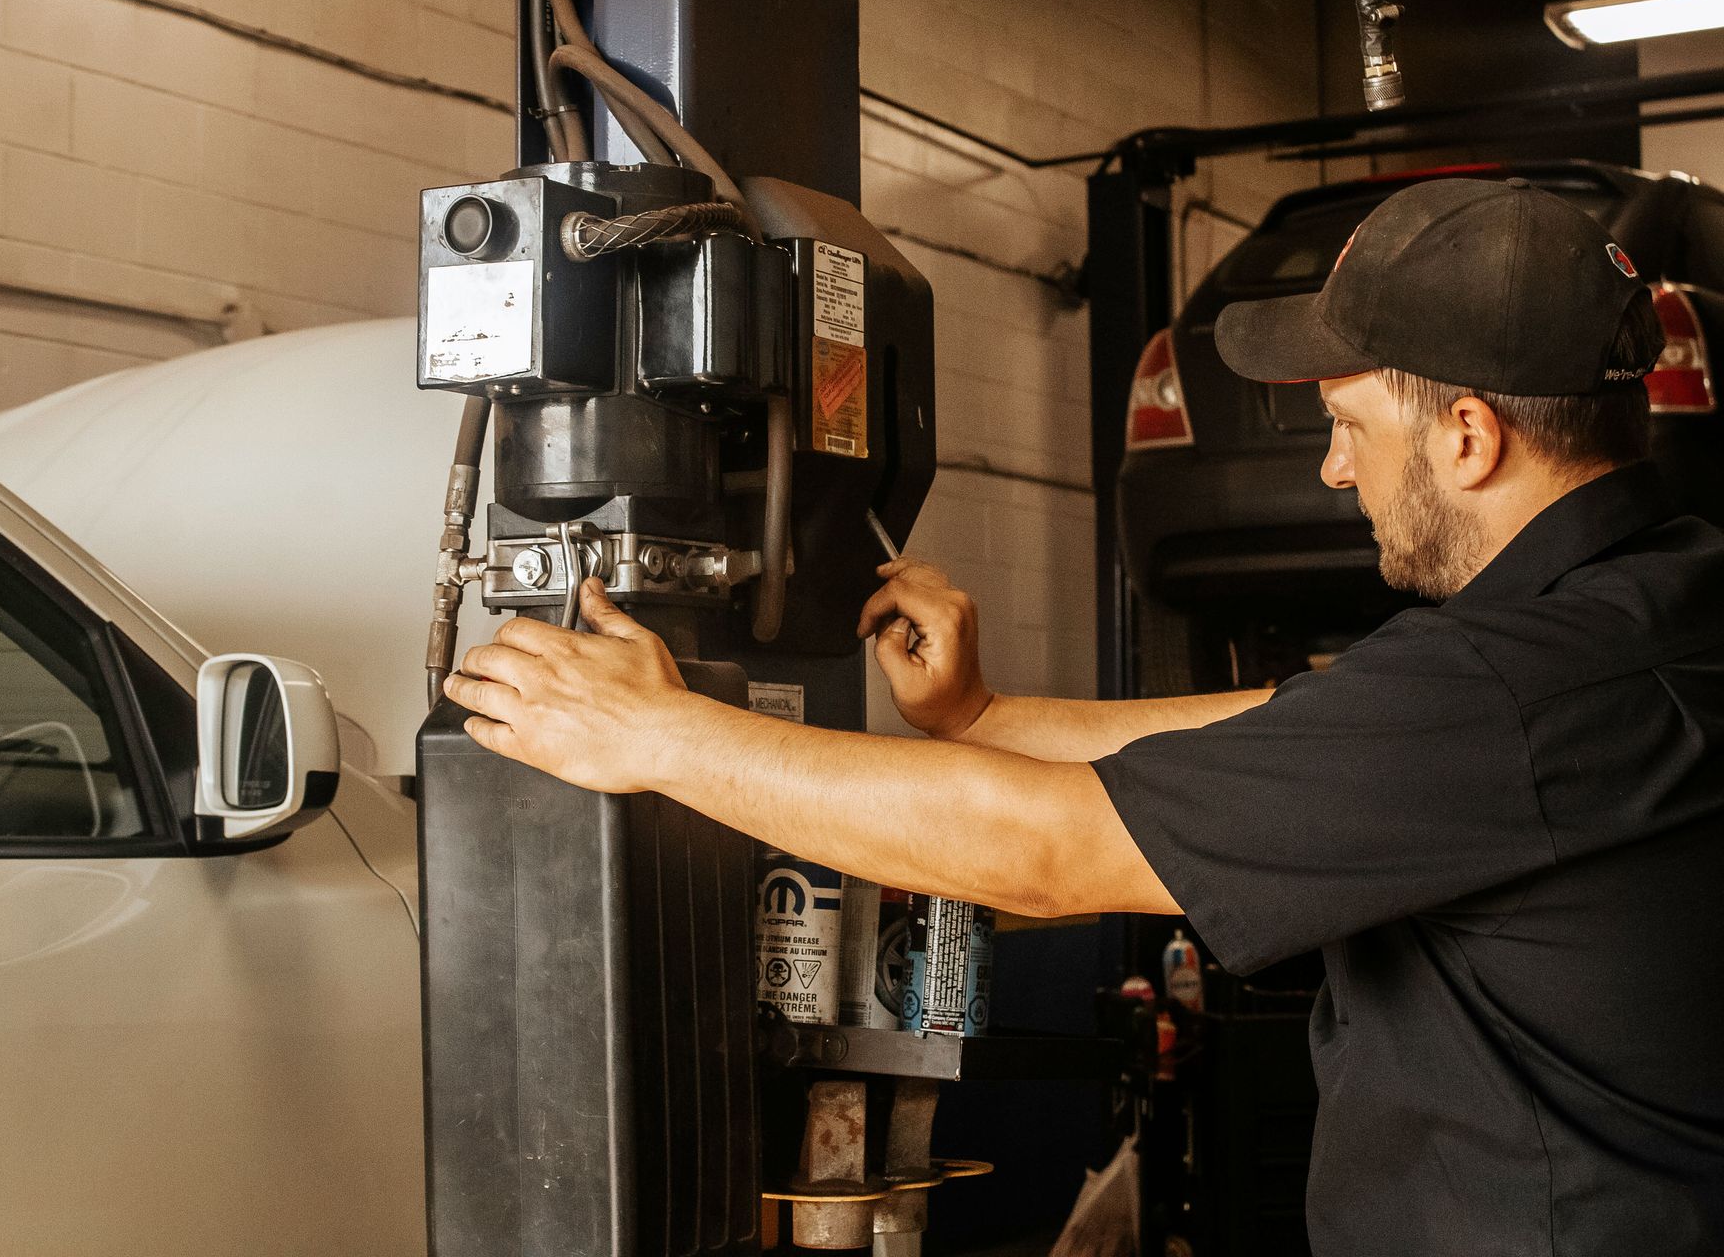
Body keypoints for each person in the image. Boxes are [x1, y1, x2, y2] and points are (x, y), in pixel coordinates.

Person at [442, 179, 1724, 1254]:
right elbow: (1282, 734)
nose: (1336, 469)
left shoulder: (1514, 690)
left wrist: (658, 737)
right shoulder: (1646, 606)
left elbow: (1049, 855)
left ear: (1466, 436)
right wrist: (984, 715)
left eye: (1345, 424)